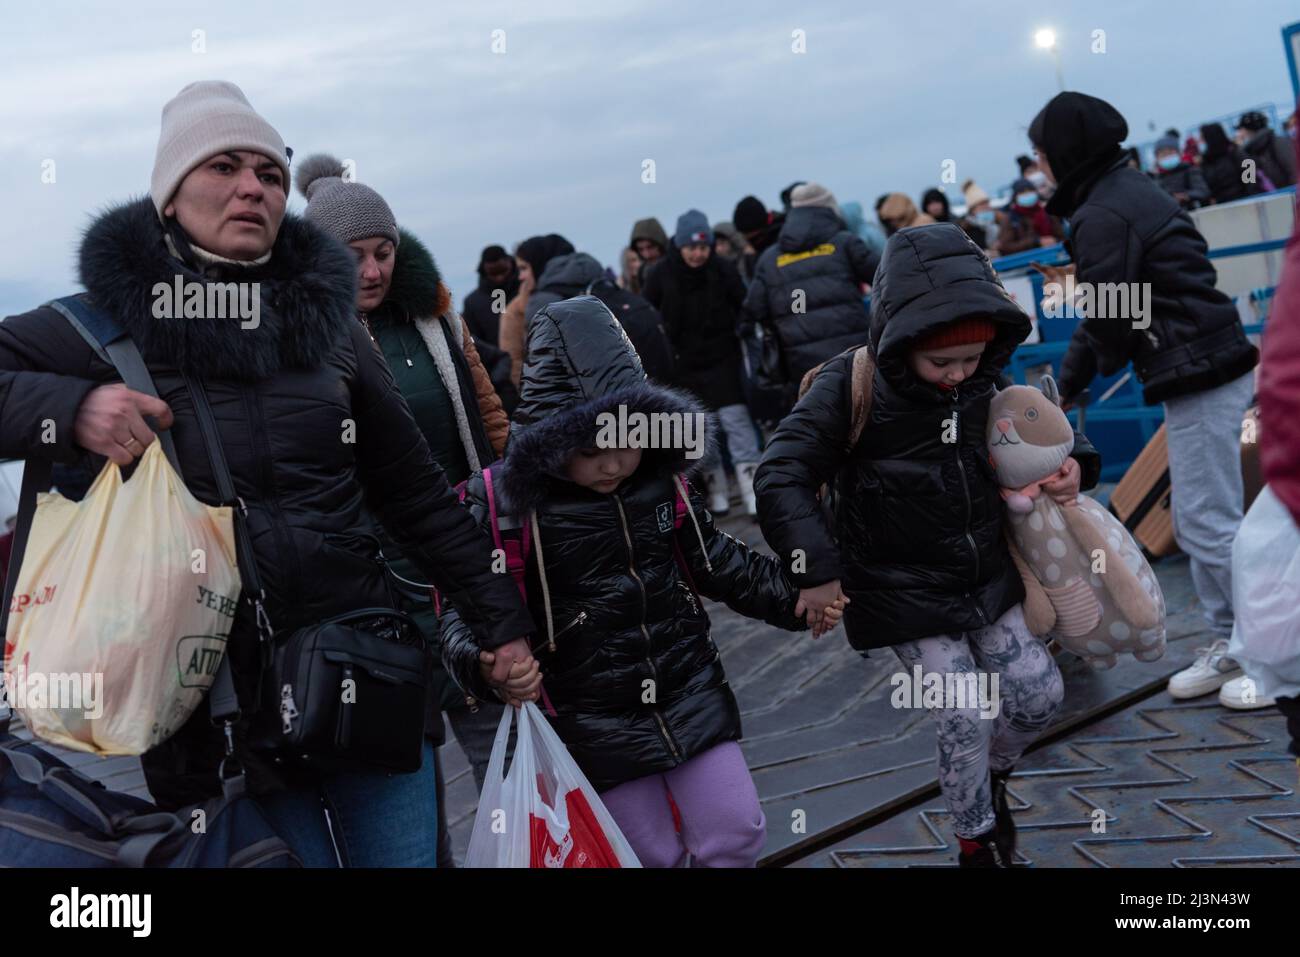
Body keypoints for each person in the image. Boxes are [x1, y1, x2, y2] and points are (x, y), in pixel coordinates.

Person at [0, 81, 536, 867]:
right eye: (224, 165)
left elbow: (414, 492)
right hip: (212, 715)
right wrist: (73, 406)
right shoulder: (93, 328)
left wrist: (502, 622)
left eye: (271, 173)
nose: (254, 185)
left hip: (367, 678)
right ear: (170, 196)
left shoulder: (332, 331)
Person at [755, 223, 1101, 867]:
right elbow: (781, 472)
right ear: (903, 339)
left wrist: (1076, 460)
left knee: (1037, 695)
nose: (958, 375)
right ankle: (978, 841)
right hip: (898, 589)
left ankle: (987, 784)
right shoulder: (848, 385)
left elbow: (1043, 426)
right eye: (942, 362)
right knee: (964, 713)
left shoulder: (984, 382)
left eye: (971, 359)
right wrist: (815, 568)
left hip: (986, 573)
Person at [439, 297, 818, 868]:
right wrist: (484, 665)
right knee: (645, 855)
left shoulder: (663, 485)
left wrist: (800, 598)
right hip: (589, 721)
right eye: (591, 452)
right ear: (554, 441)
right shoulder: (504, 505)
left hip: (689, 689)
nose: (614, 465)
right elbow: (461, 606)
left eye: (627, 445)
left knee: (737, 830)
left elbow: (717, 560)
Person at [296, 153, 513, 867]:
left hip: (458, 557)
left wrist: (513, 507)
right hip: (372, 588)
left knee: (502, 749)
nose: (371, 271)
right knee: (407, 785)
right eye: (351, 256)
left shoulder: (433, 321)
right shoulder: (305, 344)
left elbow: (487, 417)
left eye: (382, 252)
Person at [1029, 92, 1259, 703]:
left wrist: (1065, 388)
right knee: (1198, 518)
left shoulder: (1104, 211)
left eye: (1041, 154)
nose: (1038, 168)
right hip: (1204, 361)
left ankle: (1271, 651)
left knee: (1208, 521)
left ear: (1064, 152)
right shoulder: (1123, 191)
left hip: (1201, 369)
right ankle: (1235, 642)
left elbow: (1109, 313)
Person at [642, 209, 760, 515]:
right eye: (691, 247)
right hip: (683, 366)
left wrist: (745, 330)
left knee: (736, 423)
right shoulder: (659, 274)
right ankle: (716, 488)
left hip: (724, 359)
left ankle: (751, 489)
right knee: (699, 430)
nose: (697, 254)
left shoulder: (723, 270)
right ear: (680, 246)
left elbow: (745, 305)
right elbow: (647, 314)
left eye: (703, 247)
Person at [741, 182, 877, 418]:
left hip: (803, 372)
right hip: (855, 360)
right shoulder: (845, 243)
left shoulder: (769, 259)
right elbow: (887, 279)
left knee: (824, 433)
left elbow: (752, 313)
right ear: (829, 210)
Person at [499, 233, 573, 388]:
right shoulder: (514, 312)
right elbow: (515, 364)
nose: (520, 277)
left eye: (524, 268)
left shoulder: (579, 296)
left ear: (541, 265)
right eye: (519, 269)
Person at [461, 245, 519, 347]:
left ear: (511, 264)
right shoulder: (472, 303)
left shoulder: (529, 289)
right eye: (494, 273)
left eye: (503, 271)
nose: (499, 277)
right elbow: (473, 340)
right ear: (484, 272)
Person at [995, 177, 1065, 256]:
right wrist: (1036, 242)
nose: (1027, 194)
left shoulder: (1047, 212)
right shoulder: (1010, 219)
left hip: (1055, 255)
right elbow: (1005, 246)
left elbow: (1062, 236)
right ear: (1015, 197)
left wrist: (1054, 240)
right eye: (1023, 193)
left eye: (1030, 191)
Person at [1199, 123, 1262, 205]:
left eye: (1203, 137)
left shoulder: (1235, 152)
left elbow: (1251, 177)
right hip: (1223, 206)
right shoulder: (1206, 161)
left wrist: (1251, 197)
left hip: (1245, 201)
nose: (1200, 141)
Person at [1236, 111, 1296, 188]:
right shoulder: (1250, 151)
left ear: (1249, 130)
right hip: (1280, 196)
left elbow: (1294, 170)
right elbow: (1250, 182)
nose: (1240, 134)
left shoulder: (1277, 143)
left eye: (1241, 129)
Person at [733, 195, 784, 282]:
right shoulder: (752, 248)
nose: (747, 240)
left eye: (750, 236)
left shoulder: (783, 239)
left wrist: (753, 258)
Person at [1152, 135, 1210, 210]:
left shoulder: (1190, 170)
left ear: (1179, 153)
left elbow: (1203, 191)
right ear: (1157, 158)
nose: (1167, 156)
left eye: (1170, 152)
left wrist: (1186, 195)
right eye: (1163, 154)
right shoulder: (1157, 178)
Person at [630, 217, 670, 287]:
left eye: (650, 247)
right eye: (641, 249)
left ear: (660, 244)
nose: (647, 255)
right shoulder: (642, 273)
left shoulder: (678, 265)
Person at [961, 179, 999, 251]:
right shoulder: (966, 232)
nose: (986, 207)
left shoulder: (999, 222)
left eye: (987, 203)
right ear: (972, 210)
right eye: (981, 204)